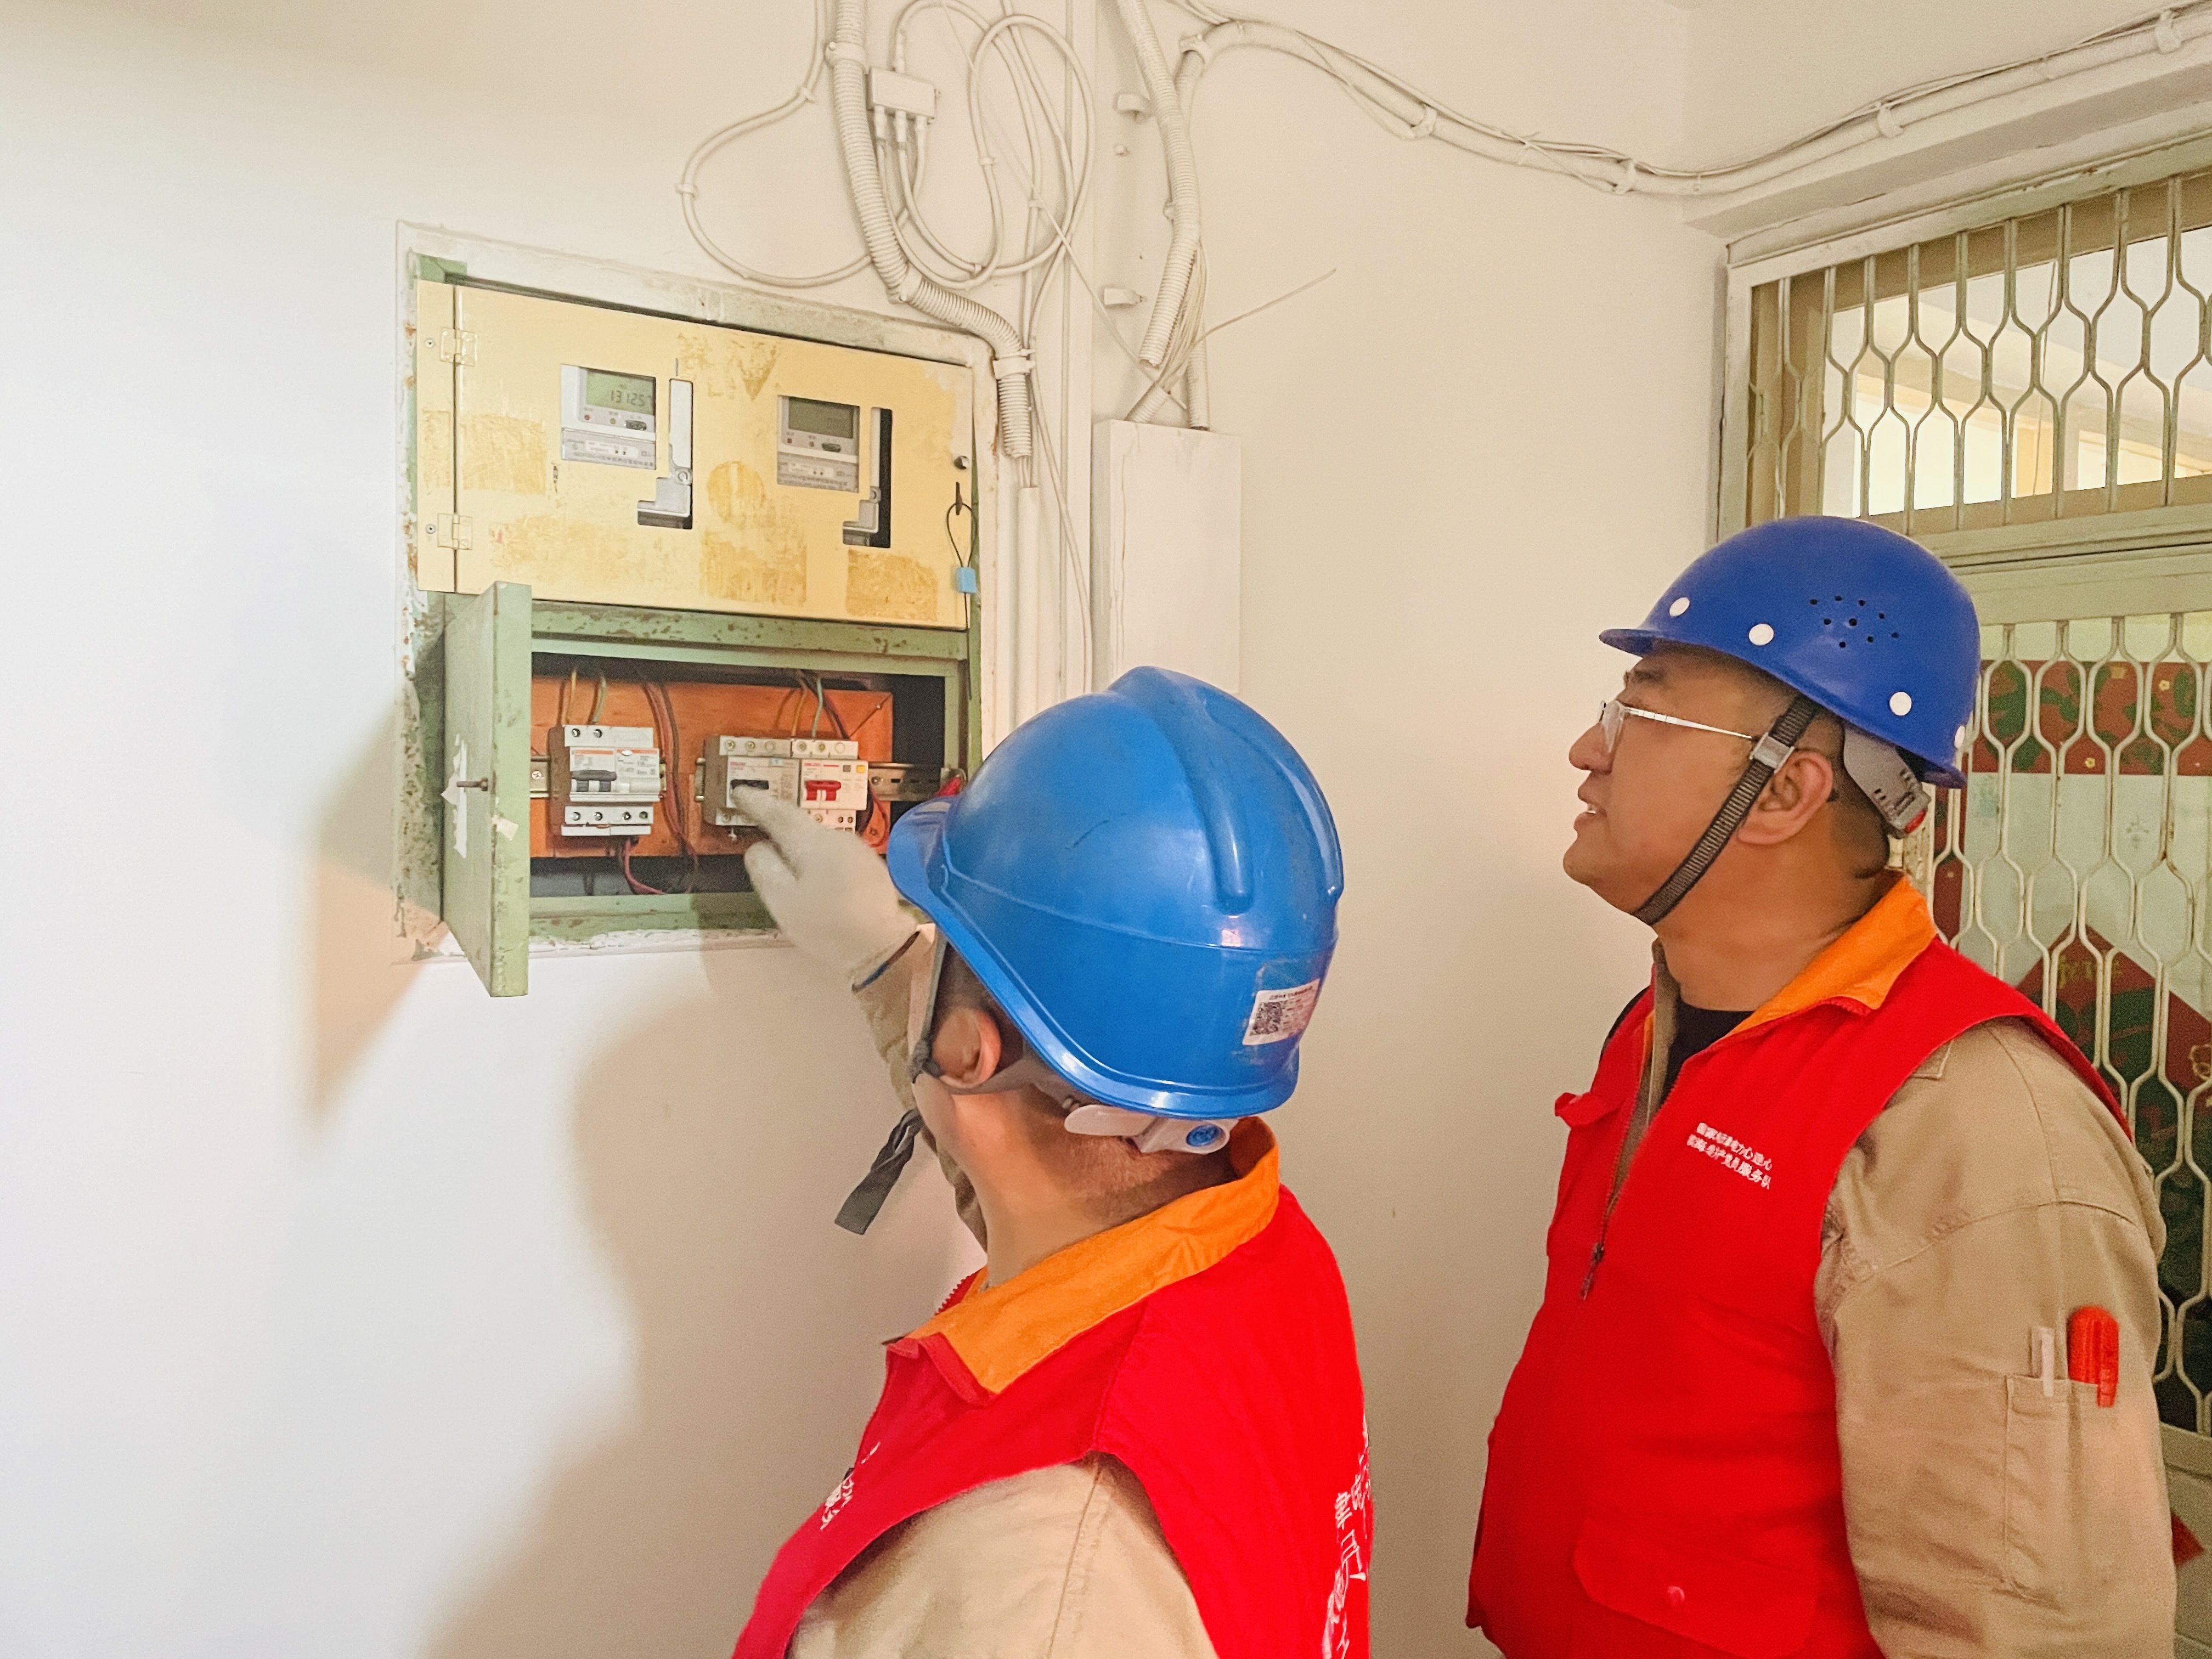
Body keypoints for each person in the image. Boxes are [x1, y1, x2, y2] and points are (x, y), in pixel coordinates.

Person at [1469, 517, 2173, 1657]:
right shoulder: (1657, 1030)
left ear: (1783, 793)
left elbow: (2037, 1623)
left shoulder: (1971, 1122)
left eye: (1639, 713)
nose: (1587, 751)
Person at [726, 666, 1372, 1659]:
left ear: (970, 1052)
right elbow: (1020, 1154)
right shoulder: (1264, 1258)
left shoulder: (1040, 1582)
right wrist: (889, 964)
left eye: (940, 939)